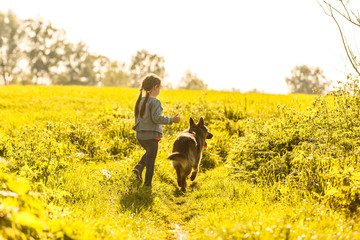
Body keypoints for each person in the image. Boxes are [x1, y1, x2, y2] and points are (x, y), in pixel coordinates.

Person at [132, 74, 181, 188]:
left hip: (140, 135)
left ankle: (138, 169)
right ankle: (147, 185)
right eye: (159, 87)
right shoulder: (155, 102)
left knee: (149, 153)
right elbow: (156, 118)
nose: (159, 90)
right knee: (150, 161)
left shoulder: (140, 100)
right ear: (155, 87)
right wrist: (172, 120)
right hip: (151, 135)